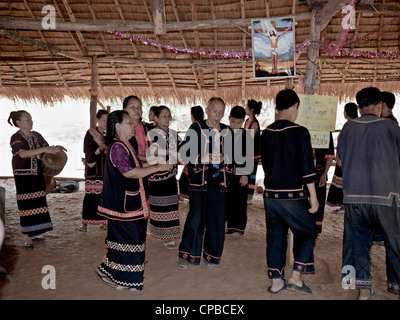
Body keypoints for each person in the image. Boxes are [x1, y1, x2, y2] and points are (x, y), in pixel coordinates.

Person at [94, 110, 172, 291]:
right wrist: (157, 168)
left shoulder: (125, 145)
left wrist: (157, 167)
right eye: (129, 122)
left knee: (127, 241)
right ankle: (116, 276)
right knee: (129, 240)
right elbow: (129, 172)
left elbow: (136, 165)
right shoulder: (117, 147)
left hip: (129, 203)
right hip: (122, 205)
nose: (133, 125)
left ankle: (117, 276)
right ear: (118, 127)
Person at [337, 87, 400, 299]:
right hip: (386, 196)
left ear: (358, 107)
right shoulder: (392, 128)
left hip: (354, 197)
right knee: (395, 244)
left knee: (357, 244)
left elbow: (341, 160)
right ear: (380, 105)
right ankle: (396, 289)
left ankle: (363, 292)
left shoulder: (347, 128)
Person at [260, 89, 319, 295]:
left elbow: (265, 164)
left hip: (270, 195)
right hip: (292, 194)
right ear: (295, 106)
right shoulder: (299, 131)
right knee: (309, 230)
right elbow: (306, 167)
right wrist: (313, 196)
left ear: (278, 108)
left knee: (275, 235)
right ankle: (295, 277)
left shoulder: (266, 133)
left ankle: (276, 281)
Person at [178, 97, 234, 269]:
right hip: (199, 180)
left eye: (222, 112)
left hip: (219, 180)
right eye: (215, 111)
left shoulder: (227, 130)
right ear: (207, 110)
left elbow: (235, 156)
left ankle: (212, 256)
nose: (218, 116)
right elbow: (182, 155)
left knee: (217, 219)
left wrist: (225, 157)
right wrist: (203, 158)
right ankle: (186, 255)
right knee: (196, 218)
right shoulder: (196, 128)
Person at [8, 110, 67, 249]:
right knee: (26, 204)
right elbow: (22, 154)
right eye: (27, 119)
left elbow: (46, 150)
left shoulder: (37, 136)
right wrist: (44, 149)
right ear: (18, 123)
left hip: (37, 173)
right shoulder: (16, 137)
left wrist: (55, 149)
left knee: (38, 202)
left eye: (31, 119)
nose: (31, 121)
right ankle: (26, 237)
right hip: (23, 175)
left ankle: (34, 233)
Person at [147, 106, 182, 249]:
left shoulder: (173, 134)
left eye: (169, 116)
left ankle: (169, 235)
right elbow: (153, 152)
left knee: (172, 205)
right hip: (157, 175)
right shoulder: (152, 133)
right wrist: (172, 153)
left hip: (171, 175)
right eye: (163, 116)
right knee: (159, 206)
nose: (167, 119)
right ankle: (162, 234)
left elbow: (182, 147)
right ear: (156, 119)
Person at [79, 109, 109, 232]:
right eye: (103, 120)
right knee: (91, 195)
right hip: (93, 169)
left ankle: (105, 222)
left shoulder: (110, 134)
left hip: (106, 169)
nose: (105, 122)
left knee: (105, 196)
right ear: (97, 120)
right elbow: (87, 150)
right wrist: (99, 149)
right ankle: (85, 223)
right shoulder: (90, 133)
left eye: (107, 120)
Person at [326, 102, 358, 214]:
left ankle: (345, 206)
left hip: (346, 159)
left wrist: (340, 158)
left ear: (347, 112)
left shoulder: (349, 125)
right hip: (353, 159)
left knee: (344, 183)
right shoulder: (357, 124)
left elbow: (343, 143)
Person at [226, 106, 249, 240]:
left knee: (240, 201)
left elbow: (249, 156)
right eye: (233, 122)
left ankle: (239, 228)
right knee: (229, 200)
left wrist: (245, 174)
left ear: (243, 122)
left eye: (239, 123)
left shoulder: (246, 135)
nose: (235, 125)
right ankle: (230, 226)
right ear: (229, 119)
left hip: (241, 174)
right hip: (227, 173)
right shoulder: (224, 133)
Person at [178, 105, 204, 201]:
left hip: (195, 157)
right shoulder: (204, 125)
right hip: (202, 157)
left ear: (193, 115)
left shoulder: (194, 126)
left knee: (187, 179)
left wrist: (179, 147)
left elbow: (186, 142)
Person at [313, 132, 335, 233]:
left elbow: (330, 156)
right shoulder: (301, 128)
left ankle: (315, 229)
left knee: (319, 201)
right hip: (302, 174)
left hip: (319, 174)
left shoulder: (326, 131)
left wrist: (324, 174)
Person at [122, 95, 150, 162]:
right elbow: (126, 152)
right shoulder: (121, 129)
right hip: (130, 168)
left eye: (139, 107)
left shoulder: (148, 127)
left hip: (149, 167)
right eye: (132, 107)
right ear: (125, 110)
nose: (137, 110)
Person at [244, 99, 262, 204]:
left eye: (247, 107)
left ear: (251, 110)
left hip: (253, 154)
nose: (245, 108)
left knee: (251, 175)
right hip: (247, 153)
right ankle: (246, 195)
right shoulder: (247, 121)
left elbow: (249, 139)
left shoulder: (254, 123)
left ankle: (249, 197)